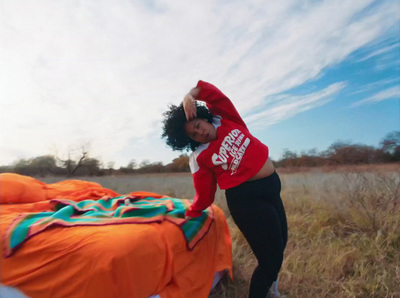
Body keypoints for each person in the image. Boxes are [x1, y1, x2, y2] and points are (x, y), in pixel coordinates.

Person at [162, 80, 288, 298]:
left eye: (198, 126)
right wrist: (189, 213)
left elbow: (208, 91)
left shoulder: (225, 118)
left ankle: (268, 291)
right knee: (270, 259)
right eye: (193, 134)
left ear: (204, 118)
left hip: (271, 187)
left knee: (280, 244)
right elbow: (204, 194)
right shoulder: (199, 157)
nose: (200, 133)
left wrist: (189, 97)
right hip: (247, 201)